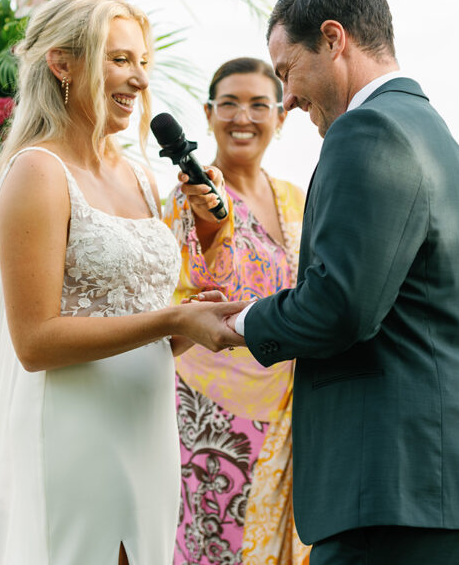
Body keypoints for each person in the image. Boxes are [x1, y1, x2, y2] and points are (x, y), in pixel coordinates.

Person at [0, 0, 237, 565]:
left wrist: (189, 324)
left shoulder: (141, 177)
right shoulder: (39, 173)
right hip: (74, 428)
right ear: (62, 63)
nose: (138, 79)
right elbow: (35, 341)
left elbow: (138, 321)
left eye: (143, 61)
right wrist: (173, 315)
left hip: (147, 428)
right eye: (119, 59)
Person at [192, 0, 459, 564]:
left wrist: (237, 323)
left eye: (288, 71)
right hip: (434, 486)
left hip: (393, 489)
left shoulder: (365, 130)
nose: (287, 99)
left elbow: (340, 307)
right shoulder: (427, 127)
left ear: (332, 38)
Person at [163, 57, 311, 565]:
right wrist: (208, 217)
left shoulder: (299, 199)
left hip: (294, 410)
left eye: (257, 104)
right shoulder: (194, 195)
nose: (242, 117)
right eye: (228, 103)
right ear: (207, 114)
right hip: (211, 412)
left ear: (281, 116)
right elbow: (194, 271)